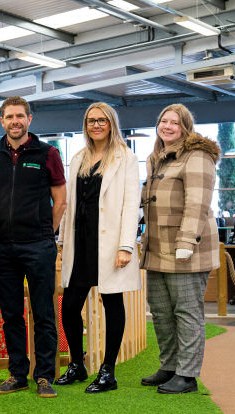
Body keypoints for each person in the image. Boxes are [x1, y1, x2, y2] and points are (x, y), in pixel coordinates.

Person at [56, 103, 140, 393]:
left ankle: (108, 371)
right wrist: (62, 240)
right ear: (86, 125)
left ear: (111, 123)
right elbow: (69, 202)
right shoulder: (79, 157)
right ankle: (77, 364)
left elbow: (131, 204)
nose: (96, 125)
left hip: (110, 242)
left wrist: (126, 246)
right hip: (80, 241)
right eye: (91, 120)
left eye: (102, 120)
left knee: (112, 303)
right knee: (70, 306)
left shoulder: (126, 157)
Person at [0, 96, 66, 398]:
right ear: (2, 121)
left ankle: (44, 376)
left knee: (43, 313)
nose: (15, 121)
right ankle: (18, 374)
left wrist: (46, 234)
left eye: (20, 116)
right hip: (3, 247)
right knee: (11, 315)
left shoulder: (48, 153)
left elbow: (60, 200)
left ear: (29, 119)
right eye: (9, 116)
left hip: (38, 246)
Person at [139, 104, 220, 394]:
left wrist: (186, 242)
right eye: (164, 121)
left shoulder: (197, 156)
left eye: (175, 122)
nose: (168, 126)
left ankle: (187, 375)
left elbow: (197, 203)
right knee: (161, 312)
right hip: (157, 249)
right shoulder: (156, 158)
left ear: (185, 127)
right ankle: (170, 366)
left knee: (187, 312)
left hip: (186, 250)